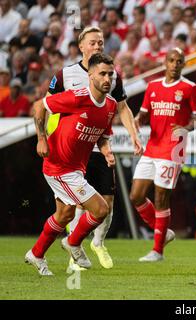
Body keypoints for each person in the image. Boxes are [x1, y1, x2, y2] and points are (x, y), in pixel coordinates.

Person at [46, 26, 143, 271]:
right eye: (93, 42)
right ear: (81, 46)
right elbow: (48, 106)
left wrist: (133, 136)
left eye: (100, 42)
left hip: (98, 144)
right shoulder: (65, 74)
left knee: (107, 201)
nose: (98, 46)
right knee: (79, 203)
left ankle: (98, 243)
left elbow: (122, 107)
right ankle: (74, 252)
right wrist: (49, 137)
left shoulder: (111, 74)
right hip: (72, 149)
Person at [25, 53, 118, 276]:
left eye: (110, 74)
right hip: (58, 166)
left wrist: (106, 151)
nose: (107, 79)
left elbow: (102, 134)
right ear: (91, 75)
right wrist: (41, 138)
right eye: (102, 74)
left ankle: (36, 254)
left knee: (65, 214)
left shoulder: (111, 106)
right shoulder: (77, 97)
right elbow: (40, 106)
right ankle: (73, 242)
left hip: (76, 168)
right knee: (100, 209)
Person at [131, 48, 196, 262]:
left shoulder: (190, 88)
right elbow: (144, 113)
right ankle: (162, 231)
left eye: (179, 61)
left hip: (173, 148)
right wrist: (137, 120)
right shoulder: (152, 86)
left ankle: (157, 251)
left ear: (183, 64)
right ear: (164, 62)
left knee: (161, 196)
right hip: (152, 146)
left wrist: (187, 128)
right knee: (135, 196)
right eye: (171, 60)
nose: (174, 64)